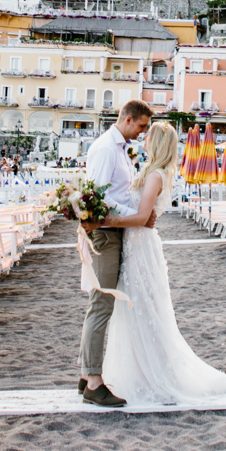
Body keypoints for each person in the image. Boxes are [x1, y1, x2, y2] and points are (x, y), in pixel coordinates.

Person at [99, 121, 226, 406]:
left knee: (144, 309)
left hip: (140, 247)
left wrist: (105, 221)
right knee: (139, 309)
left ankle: (153, 375)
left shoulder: (155, 175)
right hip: (137, 245)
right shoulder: (154, 172)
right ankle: (140, 372)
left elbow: (141, 218)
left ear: (158, 142)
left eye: (148, 135)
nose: (143, 138)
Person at [76, 99, 154, 408]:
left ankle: (86, 376)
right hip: (106, 233)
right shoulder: (107, 149)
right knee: (101, 304)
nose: (143, 132)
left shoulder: (119, 148)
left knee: (100, 303)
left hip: (113, 231)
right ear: (129, 119)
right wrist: (135, 215)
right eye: (142, 126)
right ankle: (94, 382)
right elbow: (97, 196)